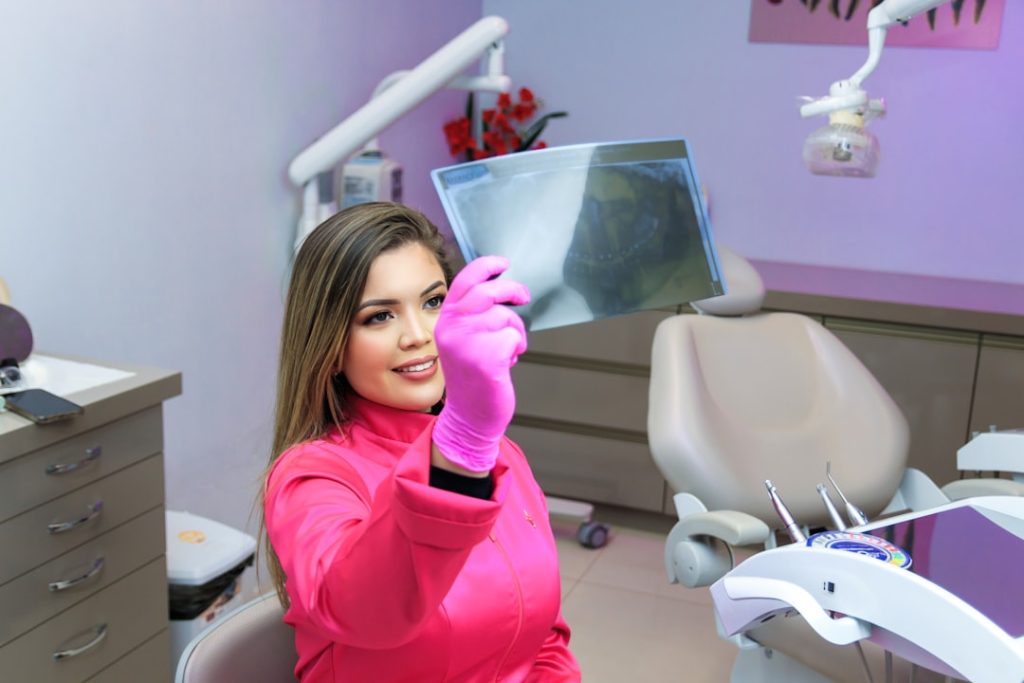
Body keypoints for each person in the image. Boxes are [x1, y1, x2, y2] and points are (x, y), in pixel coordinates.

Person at [260, 202, 582, 682]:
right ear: (330, 346)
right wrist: (461, 446)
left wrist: (473, 442)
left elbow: (544, 640)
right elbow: (363, 609)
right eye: (379, 317)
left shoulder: (500, 456)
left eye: (433, 303)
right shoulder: (311, 477)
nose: (418, 335)